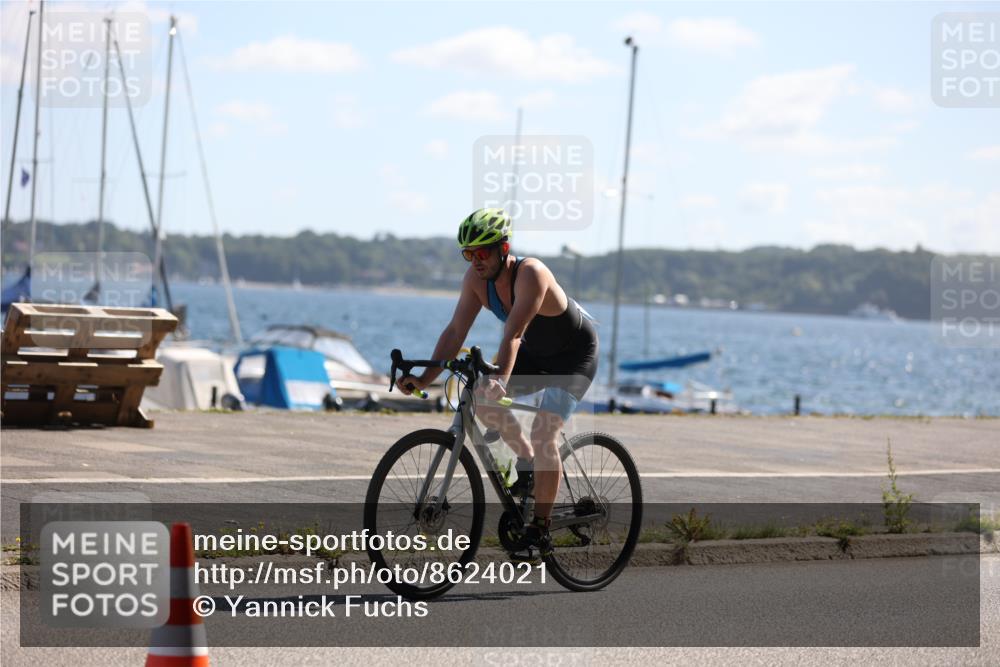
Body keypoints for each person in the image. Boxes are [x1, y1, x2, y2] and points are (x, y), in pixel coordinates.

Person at [396, 207, 599, 557]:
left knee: (543, 431)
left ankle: (541, 528)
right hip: (537, 355)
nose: (475, 261)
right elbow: (456, 330)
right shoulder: (476, 282)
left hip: (574, 356)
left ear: (503, 248)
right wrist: (425, 378)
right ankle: (529, 468)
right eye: (468, 253)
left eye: (482, 252)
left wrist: (501, 381)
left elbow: (515, 334)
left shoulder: (530, 273)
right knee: (480, 398)